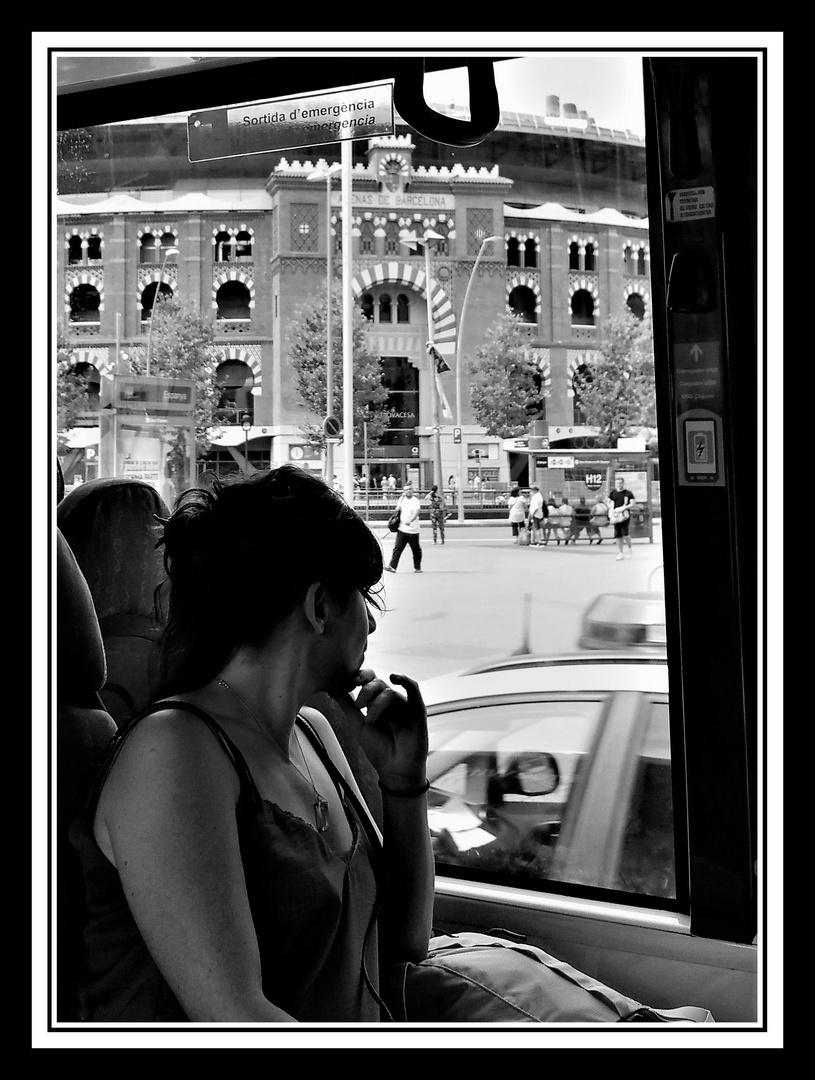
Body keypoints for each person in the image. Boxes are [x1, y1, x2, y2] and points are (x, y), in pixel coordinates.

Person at [69, 466, 434, 1022]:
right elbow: (237, 1016)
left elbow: (405, 942)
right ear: (317, 607)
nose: (373, 628)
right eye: (363, 597)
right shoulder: (175, 752)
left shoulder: (317, 737)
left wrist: (405, 784)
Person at [385, 481, 423, 573]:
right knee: (397, 548)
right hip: (402, 529)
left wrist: (410, 520)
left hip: (413, 530)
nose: (408, 491)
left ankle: (417, 567)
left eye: (409, 489)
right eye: (406, 490)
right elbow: (397, 510)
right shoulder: (402, 499)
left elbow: (416, 512)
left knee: (416, 550)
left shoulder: (415, 501)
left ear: (412, 490)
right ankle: (392, 566)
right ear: (404, 491)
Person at [608, 475, 636, 559]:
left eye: (620, 483)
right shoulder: (613, 493)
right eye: (617, 483)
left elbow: (632, 503)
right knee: (618, 535)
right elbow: (609, 502)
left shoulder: (628, 493)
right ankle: (620, 552)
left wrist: (624, 508)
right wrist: (611, 510)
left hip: (624, 515)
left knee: (625, 533)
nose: (618, 485)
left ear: (623, 483)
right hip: (616, 516)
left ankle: (630, 548)